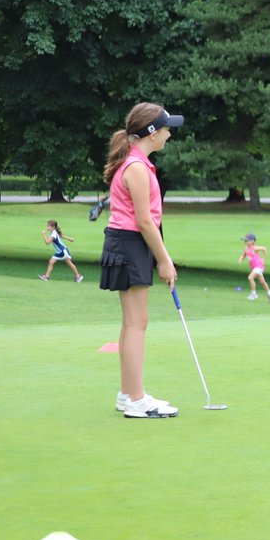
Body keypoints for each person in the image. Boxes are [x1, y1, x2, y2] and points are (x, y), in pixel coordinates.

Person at [100, 103, 184, 418]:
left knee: (134, 322)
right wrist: (165, 261)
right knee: (136, 323)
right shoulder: (135, 167)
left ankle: (128, 394)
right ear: (151, 132)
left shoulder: (138, 162)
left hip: (129, 244)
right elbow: (145, 222)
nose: (169, 133)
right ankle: (136, 399)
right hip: (130, 244)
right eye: (166, 128)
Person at [239, 233, 270, 302]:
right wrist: (241, 259)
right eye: (244, 240)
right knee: (262, 282)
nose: (245, 242)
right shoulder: (246, 249)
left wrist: (263, 259)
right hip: (254, 268)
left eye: (246, 241)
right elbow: (243, 255)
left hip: (259, 266)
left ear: (252, 242)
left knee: (250, 278)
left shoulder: (254, 248)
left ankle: (254, 294)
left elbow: (264, 249)